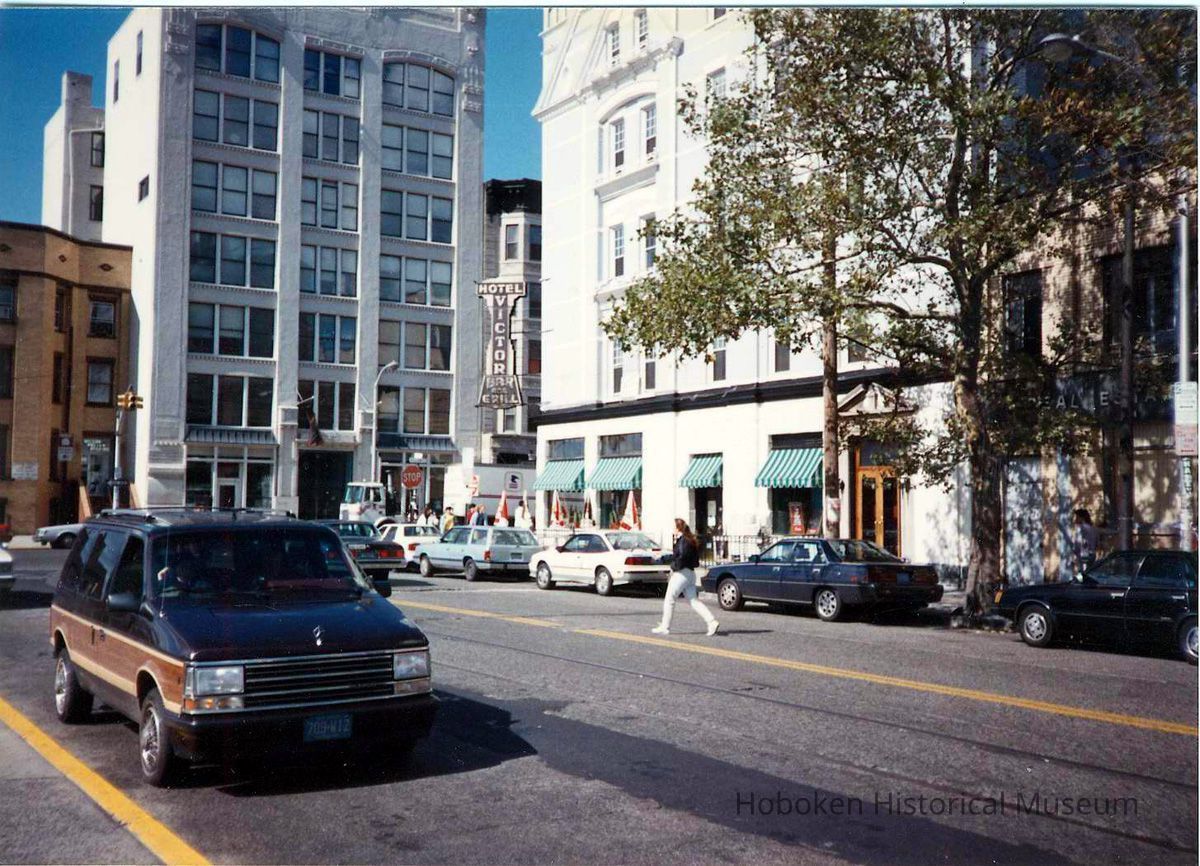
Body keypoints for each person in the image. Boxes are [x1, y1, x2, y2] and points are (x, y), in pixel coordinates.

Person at [653, 519, 720, 637]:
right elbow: (678, 555)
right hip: (690, 574)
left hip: (681, 574)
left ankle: (665, 626)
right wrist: (663, 558)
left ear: (678, 528)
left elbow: (681, 557)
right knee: (693, 601)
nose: (672, 529)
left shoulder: (683, 541)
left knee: (669, 599)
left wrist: (673, 566)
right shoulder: (688, 540)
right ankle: (712, 622)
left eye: (673, 527)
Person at [1072, 508, 1099, 574]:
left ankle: (1079, 583)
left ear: (1082, 518)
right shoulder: (1092, 528)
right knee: (1089, 573)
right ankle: (1087, 583)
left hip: (1084, 554)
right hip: (1092, 554)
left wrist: (1075, 552)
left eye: (1077, 517)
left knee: (1080, 573)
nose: (1075, 519)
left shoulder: (1081, 528)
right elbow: (1097, 542)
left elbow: (1078, 542)